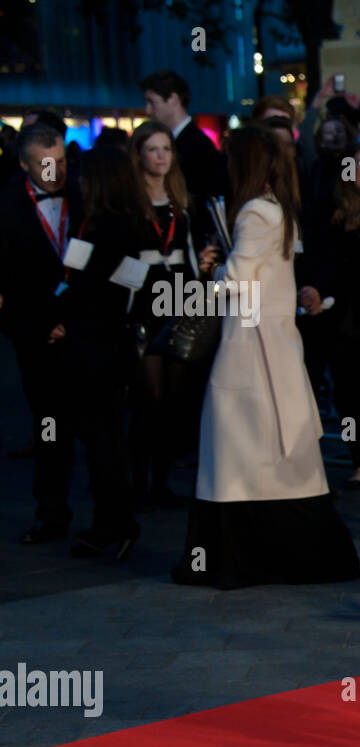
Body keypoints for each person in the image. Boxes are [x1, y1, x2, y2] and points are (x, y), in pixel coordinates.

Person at [172, 124, 360, 589]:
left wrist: (209, 272)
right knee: (264, 453)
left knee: (236, 453)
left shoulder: (256, 211)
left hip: (252, 347)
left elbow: (235, 281)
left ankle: (235, 561)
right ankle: (277, 557)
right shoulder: (276, 209)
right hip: (266, 343)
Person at [47, 146, 143, 558]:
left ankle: (115, 524)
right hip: (101, 343)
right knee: (103, 439)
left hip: (98, 346)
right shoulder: (115, 223)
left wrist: (61, 313)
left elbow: (93, 287)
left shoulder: (110, 226)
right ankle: (113, 523)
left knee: (102, 440)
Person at [0, 124, 84, 545]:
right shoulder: (6, 206)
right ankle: (51, 511)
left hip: (84, 330)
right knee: (49, 423)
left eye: (62, 162)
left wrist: (72, 317)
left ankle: (115, 511)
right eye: (45, 164)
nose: (56, 172)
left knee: (96, 424)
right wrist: (40, 325)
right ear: (23, 164)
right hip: (36, 338)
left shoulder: (84, 197)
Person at [298, 142, 360, 489]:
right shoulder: (332, 208)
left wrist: (358, 247)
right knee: (346, 395)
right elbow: (331, 255)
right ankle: (358, 461)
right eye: (359, 165)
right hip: (339, 317)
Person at [127, 120, 206, 508]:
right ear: (139, 154)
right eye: (153, 149)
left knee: (173, 397)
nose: (161, 156)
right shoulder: (127, 201)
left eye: (167, 149)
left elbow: (190, 258)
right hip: (142, 303)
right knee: (148, 396)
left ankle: (159, 481)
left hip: (177, 299)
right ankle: (139, 480)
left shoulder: (180, 200)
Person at [139, 70, 227, 231]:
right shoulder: (190, 141)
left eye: (152, 102)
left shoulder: (197, 145)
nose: (148, 110)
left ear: (173, 99)